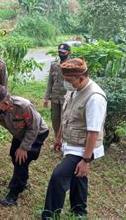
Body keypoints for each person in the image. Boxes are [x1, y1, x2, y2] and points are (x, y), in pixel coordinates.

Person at [41, 58, 107, 219]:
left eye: (70, 80)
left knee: (58, 176)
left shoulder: (95, 97)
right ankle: (79, 211)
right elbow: (67, 116)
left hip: (84, 147)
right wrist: (59, 137)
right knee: (78, 177)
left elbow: (93, 132)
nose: (67, 84)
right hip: (72, 142)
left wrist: (86, 160)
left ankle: (50, 214)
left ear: (82, 77)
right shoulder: (74, 89)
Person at [43, 43, 70, 138]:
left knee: (64, 120)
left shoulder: (72, 66)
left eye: (63, 52)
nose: (61, 54)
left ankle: (64, 141)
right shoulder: (54, 65)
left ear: (69, 53)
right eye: (59, 52)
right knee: (55, 119)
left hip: (66, 98)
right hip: (55, 97)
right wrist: (46, 97)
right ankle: (57, 139)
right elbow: (50, 82)